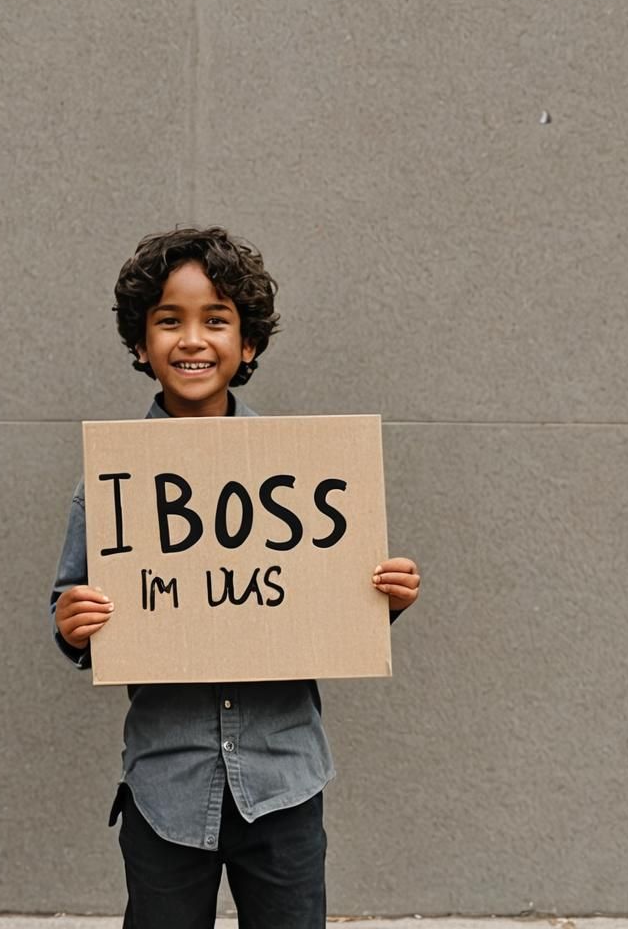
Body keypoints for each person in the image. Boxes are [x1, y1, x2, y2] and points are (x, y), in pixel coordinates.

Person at [50, 226, 420, 929]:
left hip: (283, 784)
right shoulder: (110, 486)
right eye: (169, 321)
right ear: (140, 343)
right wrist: (73, 625)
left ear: (247, 344)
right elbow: (70, 613)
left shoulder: (305, 472)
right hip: (166, 787)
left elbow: (321, 593)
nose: (193, 339)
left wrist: (381, 597)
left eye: (216, 320)